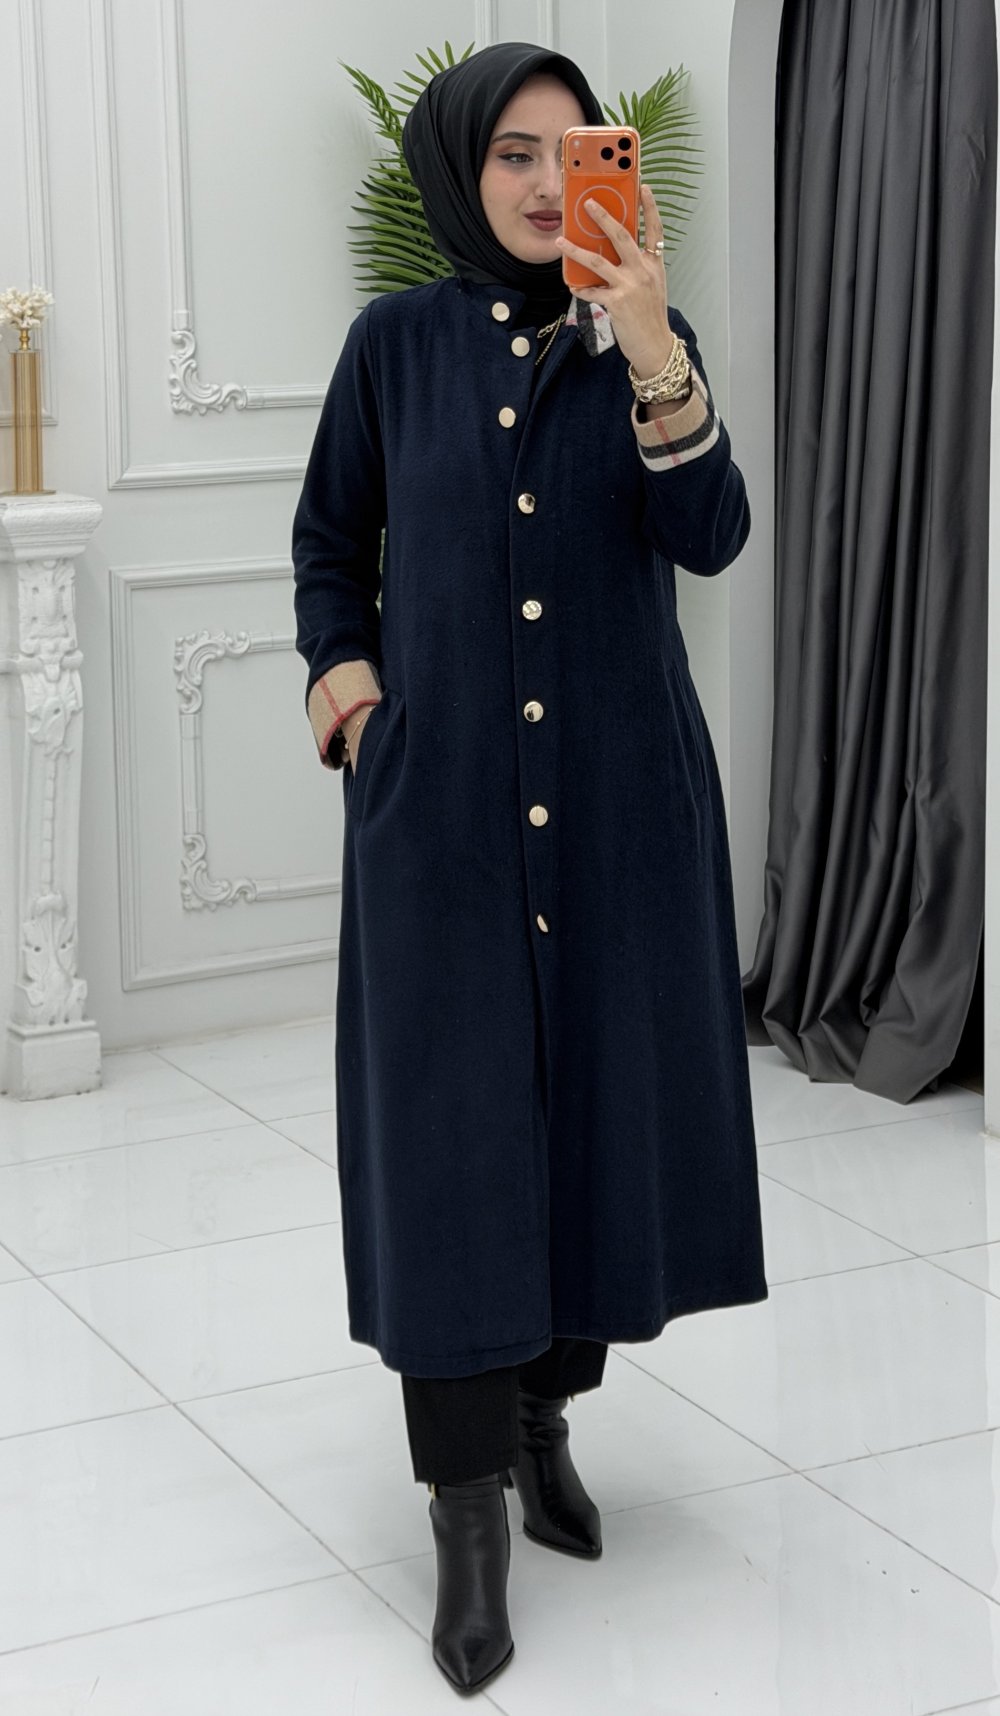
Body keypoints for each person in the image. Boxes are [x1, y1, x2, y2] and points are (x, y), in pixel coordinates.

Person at [292, 40, 769, 1697]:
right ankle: (466, 1518)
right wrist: (355, 704)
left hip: (622, 812)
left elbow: (711, 534)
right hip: (440, 824)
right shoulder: (394, 346)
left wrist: (654, 355)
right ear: (460, 167)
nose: (548, 180)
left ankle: (548, 1425)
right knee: (451, 1149)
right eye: (513, 151)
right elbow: (328, 548)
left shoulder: (644, 335)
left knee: (597, 1128)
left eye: (576, 151)